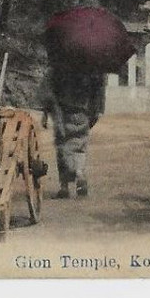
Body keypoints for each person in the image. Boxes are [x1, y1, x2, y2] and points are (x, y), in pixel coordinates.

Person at [42, 53, 106, 199]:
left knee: (62, 147)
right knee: (80, 146)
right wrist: (97, 111)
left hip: (62, 112)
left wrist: (45, 113)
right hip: (83, 111)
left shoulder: (58, 64)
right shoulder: (91, 66)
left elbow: (48, 91)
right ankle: (80, 173)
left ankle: (64, 186)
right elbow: (99, 89)